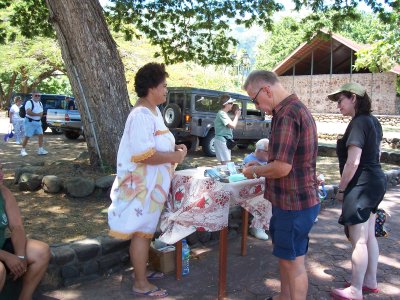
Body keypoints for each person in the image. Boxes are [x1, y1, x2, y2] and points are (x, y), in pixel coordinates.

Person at [108, 63, 187, 298]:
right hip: (141, 188)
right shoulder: (141, 115)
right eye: (164, 86)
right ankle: (140, 283)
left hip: (150, 188)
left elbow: (156, 145)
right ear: (151, 87)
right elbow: (145, 154)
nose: (166, 91)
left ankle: (140, 273)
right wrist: (176, 156)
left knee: (145, 232)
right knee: (142, 233)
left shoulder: (152, 111)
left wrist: (175, 148)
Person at [242, 70, 320, 300]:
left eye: (255, 100)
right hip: (296, 201)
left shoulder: (287, 114)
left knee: (293, 263)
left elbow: (282, 168)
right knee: (289, 259)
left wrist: (252, 170)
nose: (257, 106)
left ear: (266, 89)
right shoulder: (290, 110)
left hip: (293, 203)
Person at [327, 83, 387, 300]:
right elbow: (376, 155)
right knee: (369, 235)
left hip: (361, 185)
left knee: (359, 239)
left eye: (340, 100)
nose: (338, 106)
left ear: (353, 98)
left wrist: (341, 189)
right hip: (375, 182)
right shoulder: (373, 121)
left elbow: (353, 162)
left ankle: (355, 290)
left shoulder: (359, 123)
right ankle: (370, 281)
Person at [0, 163, 51, 299]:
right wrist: (6, 256)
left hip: (2, 245)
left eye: (0, 168)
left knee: (41, 251)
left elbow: (17, 226)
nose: (1, 174)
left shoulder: (4, 192)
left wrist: (20, 256)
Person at [243, 138, 271, 240]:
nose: (271, 154)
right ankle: (257, 227)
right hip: (252, 191)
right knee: (266, 199)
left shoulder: (267, 161)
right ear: (259, 151)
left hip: (265, 188)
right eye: (268, 152)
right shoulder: (249, 160)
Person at [214, 94, 241, 164]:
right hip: (222, 140)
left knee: (225, 164)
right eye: (231, 103)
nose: (232, 105)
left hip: (224, 140)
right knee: (227, 164)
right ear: (226, 104)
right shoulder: (222, 114)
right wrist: (237, 116)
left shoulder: (224, 114)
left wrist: (235, 115)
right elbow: (233, 125)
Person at [20, 91, 48, 157]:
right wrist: (37, 115)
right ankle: (23, 150)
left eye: (39, 95)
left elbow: (41, 112)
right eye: (36, 95)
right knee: (27, 136)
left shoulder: (40, 103)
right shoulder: (29, 102)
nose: (37, 97)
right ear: (32, 96)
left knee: (41, 135)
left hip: (38, 122)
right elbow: (28, 112)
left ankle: (40, 149)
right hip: (30, 122)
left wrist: (40, 117)